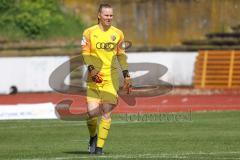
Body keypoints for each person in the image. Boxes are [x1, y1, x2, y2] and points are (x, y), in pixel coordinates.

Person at [80, 3, 132, 155]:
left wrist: (126, 73)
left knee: (106, 112)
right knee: (91, 113)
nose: (109, 18)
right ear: (99, 15)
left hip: (111, 78)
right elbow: (85, 53)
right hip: (93, 78)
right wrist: (91, 69)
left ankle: (99, 149)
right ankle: (93, 137)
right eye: (106, 15)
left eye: (111, 15)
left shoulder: (118, 34)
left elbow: (121, 55)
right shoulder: (89, 32)